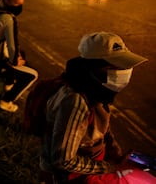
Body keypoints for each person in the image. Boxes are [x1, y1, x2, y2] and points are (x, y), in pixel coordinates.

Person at [40, 31, 149, 183]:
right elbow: (63, 160)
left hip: (89, 168)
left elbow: (101, 127)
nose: (123, 71)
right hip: (69, 177)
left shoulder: (94, 90)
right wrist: (108, 167)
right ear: (93, 68)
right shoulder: (76, 102)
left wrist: (113, 149)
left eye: (124, 66)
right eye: (115, 66)